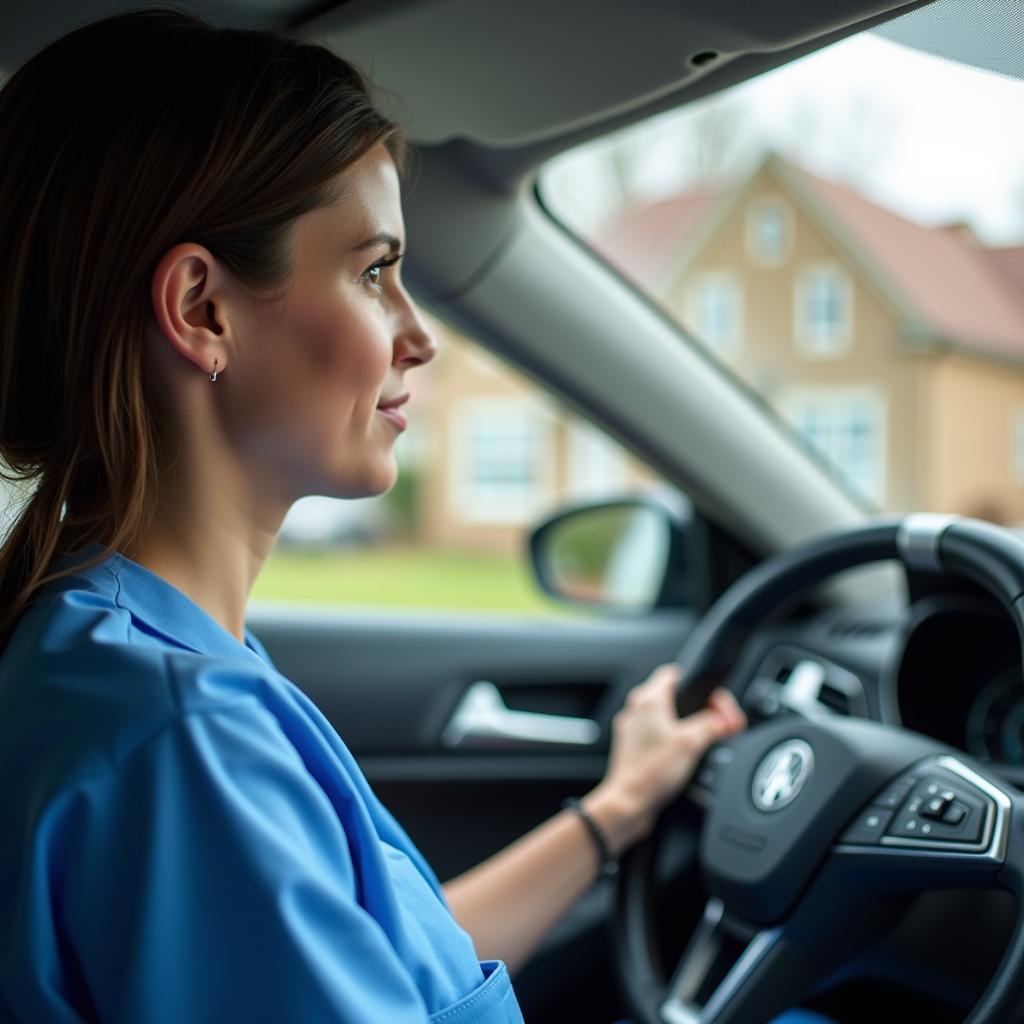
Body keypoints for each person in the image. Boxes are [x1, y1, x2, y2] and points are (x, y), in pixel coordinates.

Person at [0, 9, 829, 1023]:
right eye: (374, 270)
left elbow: (389, 969)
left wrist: (618, 808)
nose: (419, 336)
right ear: (202, 310)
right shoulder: (178, 731)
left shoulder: (110, 648)